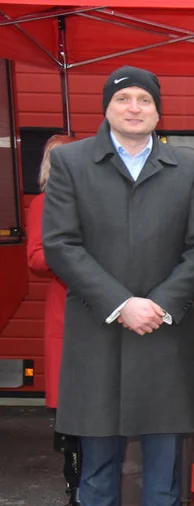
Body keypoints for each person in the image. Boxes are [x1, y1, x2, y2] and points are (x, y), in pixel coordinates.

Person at [42, 66, 194, 506]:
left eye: (145, 100)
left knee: (164, 471)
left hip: (163, 333)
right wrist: (122, 303)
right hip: (99, 336)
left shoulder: (185, 166)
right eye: (124, 99)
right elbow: (61, 244)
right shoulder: (70, 163)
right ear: (108, 108)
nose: (134, 107)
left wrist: (159, 303)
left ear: (159, 112)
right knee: (99, 471)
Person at [25, 134, 77, 481]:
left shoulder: (97, 200)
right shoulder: (43, 204)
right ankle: (74, 476)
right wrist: (79, 259)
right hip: (67, 311)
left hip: (106, 309)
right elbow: (36, 258)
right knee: (71, 400)